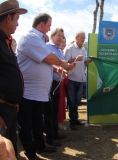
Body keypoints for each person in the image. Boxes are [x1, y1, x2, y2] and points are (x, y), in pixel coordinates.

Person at [17, 13, 75, 160]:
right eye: (49, 26)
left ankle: (40, 146)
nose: (49, 29)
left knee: (37, 122)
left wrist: (56, 69)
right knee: (26, 124)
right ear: (41, 24)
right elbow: (48, 57)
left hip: (40, 92)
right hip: (28, 92)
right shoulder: (30, 38)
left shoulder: (40, 40)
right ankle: (30, 153)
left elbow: (44, 61)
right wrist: (64, 64)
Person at [0, 0, 27, 157]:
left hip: (10, 108)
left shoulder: (6, 42)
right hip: (0, 112)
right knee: (2, 153)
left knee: (12, 149)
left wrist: (15, 101)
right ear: (8, 18)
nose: (18, 25)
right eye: (17, 19)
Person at [44, 28, 68, 147]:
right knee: (49, 111)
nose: (61, 38)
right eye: (59, 36)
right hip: (50, 83)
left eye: (62, 37)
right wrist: (59, 68)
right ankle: (50, 138)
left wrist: (68, 67)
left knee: (55, 110)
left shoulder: (59, 49)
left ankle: (55, 133)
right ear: (52, 36)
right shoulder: (47, 47)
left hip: (57, 84)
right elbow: (48, 62)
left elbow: (61, 64)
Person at [64, 31, 92, 130]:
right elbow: (65, 62)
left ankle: (75, 119)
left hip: (81, 79)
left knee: (77, 101)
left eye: (84, 38)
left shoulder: (84, 49)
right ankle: (72, 121)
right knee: (71, 101)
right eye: (82, 38)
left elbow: (83, 63)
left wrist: (89, 61)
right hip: (72, 78)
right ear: (76, 37)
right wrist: (75, 58)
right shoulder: (70, 48)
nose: (83, 40)